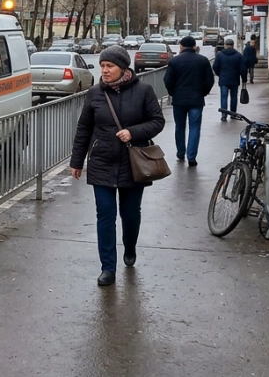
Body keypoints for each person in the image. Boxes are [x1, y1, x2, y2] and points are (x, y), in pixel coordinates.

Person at [69, 45, 165, 287]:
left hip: (133, 164)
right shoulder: (94, 93)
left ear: (123, 68)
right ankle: (107, 268)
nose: (105, 70)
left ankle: (130, 247)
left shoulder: (143, 90)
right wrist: (77, 161)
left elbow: (157, 121)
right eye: (102, 66)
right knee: (105, 216)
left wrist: (132, 132)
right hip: (102, 161)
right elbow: (84, 129)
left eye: (109, 66)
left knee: (130, 215)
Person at [163, 35, 214, 167]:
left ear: (181, 46)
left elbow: (167, 80)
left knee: (179, 126)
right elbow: (210, 80)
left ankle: (180, 153)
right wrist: (203, 92)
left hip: (179, 99)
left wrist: (172, 93)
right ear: (194, 46)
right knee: (194, 127)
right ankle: (191, 157)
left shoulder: (175, 61)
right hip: (196, 99)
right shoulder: (202, 60)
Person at [212, 38, 247, 121]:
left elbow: (215, 67)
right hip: (234, 79)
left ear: (225, 45)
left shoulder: (220, 55)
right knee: (234, 97)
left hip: (223, 79)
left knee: (224, 97)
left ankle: (224, 115)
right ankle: (233, 114)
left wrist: (219, 74)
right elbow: (243, 69)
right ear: (233, 45)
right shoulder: (238, 55)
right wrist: (244, 79)